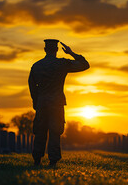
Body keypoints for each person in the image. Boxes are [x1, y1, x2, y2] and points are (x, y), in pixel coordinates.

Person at [28, 39, 90, 167]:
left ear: (45, 49)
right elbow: (85, 65)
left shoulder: (36, 66)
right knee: (55, 131)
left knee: (40, 131)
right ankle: (53, 160)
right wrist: (71, 53)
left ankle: (37, 159)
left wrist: (36, 101)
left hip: (42, 102)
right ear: (56, 49)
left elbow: (32, 85)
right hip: (56, 103)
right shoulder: (62, 63)